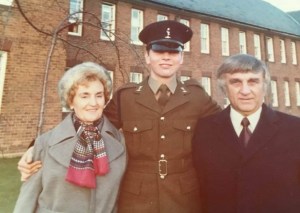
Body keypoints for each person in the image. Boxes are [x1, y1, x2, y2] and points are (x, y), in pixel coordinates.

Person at [18, 20, 221, 212]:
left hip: (183, 199)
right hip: (136, 200)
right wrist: (36, 147)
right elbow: (88, 123)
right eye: (159, 50)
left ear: (181, 57)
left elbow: (228, 126)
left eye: (173, 51)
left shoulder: (197, 95)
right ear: (147, 55)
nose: (166, 57)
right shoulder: (126, 97)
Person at [192, 53, 300, 213]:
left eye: (253, 81)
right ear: (224, 88)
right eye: (235, 82)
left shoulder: (294, 129)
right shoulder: (204, 130)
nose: (245, 90)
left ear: (264, 85)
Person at [14, 62, 126, 213]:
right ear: (71, 101)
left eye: (99, 95)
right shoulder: (45, 143)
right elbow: (26, 201)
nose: (93, 103)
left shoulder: (120, 141)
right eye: (84, 96)